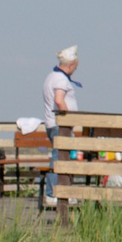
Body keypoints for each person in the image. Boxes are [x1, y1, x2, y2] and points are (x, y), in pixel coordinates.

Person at [40, 46, 79, 204]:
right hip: (60, 125)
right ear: (70, 66)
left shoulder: (51, 76)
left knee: (62, 157)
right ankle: (52, 193)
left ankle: (62, 191)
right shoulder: (61, 79)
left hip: (52, 123)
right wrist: (67, 118)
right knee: (59, 158)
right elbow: (59, 100)